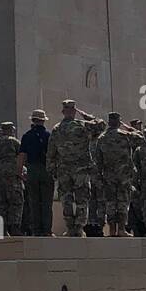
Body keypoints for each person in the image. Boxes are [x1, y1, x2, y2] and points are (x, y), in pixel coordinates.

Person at [47, 100, 98, 237]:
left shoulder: (57, 128)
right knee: (81, 199)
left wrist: (52, 169)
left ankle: (71, 228)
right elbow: (101, 126)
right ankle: (78, 228)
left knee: (67, 199)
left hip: (64, 169)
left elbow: (51, 152)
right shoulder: (83, 125)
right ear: (75, 111)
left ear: (63, 111)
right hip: (80, 169)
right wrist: (88, 117)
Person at [95, 113, 138, 237]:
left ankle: (112, 230)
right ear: (119, 122)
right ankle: (121, 229)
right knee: (123, 202)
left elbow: (98, 160)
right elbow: (141, 138)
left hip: (108, 176)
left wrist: (99, 177)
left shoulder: (102, 138)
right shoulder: (126, 136)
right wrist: (129, 128)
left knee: (110, 203)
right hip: (123, 176)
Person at [18, 110, 53, 236]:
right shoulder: (49, 135)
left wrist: (20, 171)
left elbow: (22, 155)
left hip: (32, 170)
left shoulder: (27, 136)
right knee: (47, 202)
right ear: (43, 121)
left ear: (33, 120)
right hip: (46, 170)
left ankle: (36, 230)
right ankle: (47, 230)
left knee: (33, 202)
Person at [0, 122, 24, 234]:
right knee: (15, 202)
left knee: (1, 203)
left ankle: (0, 230)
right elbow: (22, 155)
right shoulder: (13, 141)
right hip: (12, 177)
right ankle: (14, 228)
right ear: (10, 130)